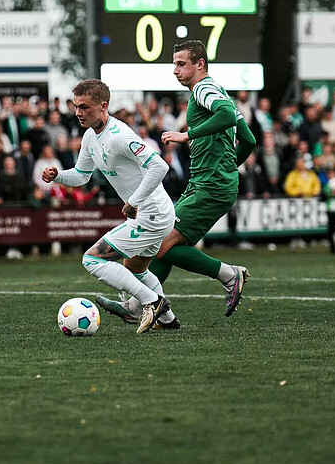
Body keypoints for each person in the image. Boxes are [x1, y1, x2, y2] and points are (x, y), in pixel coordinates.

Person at [43, 79, 176, 333]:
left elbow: (160, 166)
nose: (78, 113)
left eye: (84, 107)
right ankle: (168, 319)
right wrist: (57, 175)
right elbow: (82, 176)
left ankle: (152, 302)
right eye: (75, 106)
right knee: (136, 269)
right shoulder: (90, 136)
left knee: (92, 259)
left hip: (152, 215)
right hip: (151, 214)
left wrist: (133, 201)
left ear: (103, 106)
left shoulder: (120, 135)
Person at [157, 40, 257, 317]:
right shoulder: (218, 90)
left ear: (200, 64)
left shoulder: (203, 88)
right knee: (169, 243)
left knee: (162, 242)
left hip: (210, 185)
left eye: (180, 64)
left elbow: (225, 115)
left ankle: (228, 275)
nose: (174, 70)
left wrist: (186, 134)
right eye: (173, 64)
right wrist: (227, 168)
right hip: (210, 183)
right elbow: (248, 139)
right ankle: (143, 304)